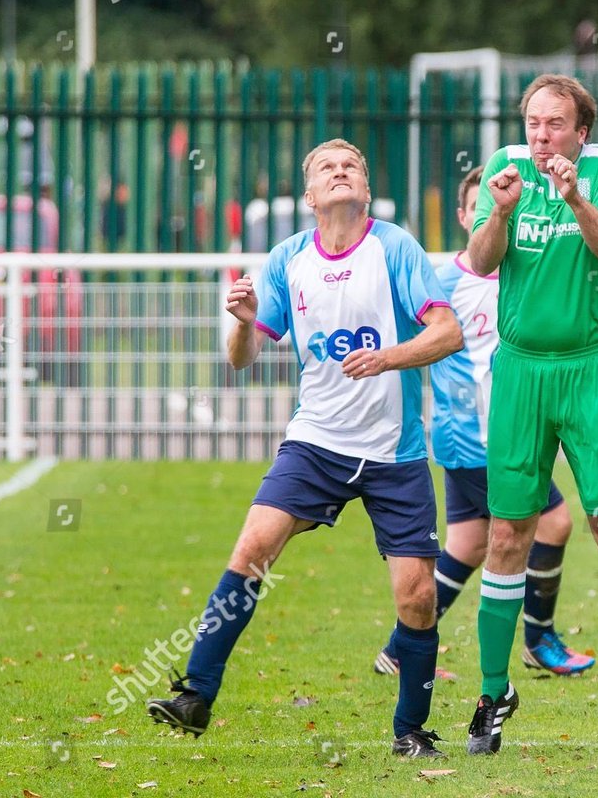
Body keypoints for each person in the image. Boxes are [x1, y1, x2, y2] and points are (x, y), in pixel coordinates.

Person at [147, 139, 464, 759]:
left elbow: (447, 331)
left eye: (352, 166)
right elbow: (239, 361)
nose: (341, 171)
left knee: (417, 597)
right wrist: (240, 319)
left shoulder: (394, 247)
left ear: (365, 190)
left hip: (394, 452)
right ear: (311, 195)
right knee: (253, 547)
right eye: (327, 167)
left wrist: (388, 357)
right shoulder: (287, 258)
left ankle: (411, 732)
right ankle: (195, 694)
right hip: (315, 442)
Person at [463, 75, 598, 757]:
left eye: (555, 123)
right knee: (508, 533)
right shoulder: (505, 170)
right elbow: (480, 262)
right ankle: (495, 692)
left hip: (590, 370)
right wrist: (497, 213)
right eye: (532, 121)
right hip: (520, 371)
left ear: (582, 130)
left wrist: (573, 197)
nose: (541, 135)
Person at [372, 166, 595, 680]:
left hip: (491, 437)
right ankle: (539, 640)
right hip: (476, 439)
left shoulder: (520, 274)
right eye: (477, 206)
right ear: (463, 215)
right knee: (555, 522)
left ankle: (399, 651)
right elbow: (410, 336)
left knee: (469, 543)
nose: (491, 214)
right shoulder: (445, 281)